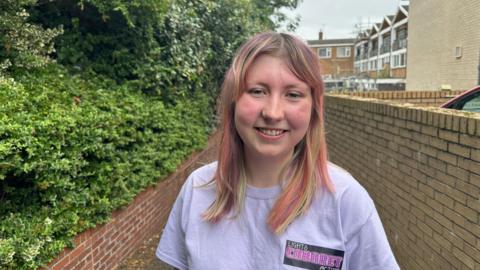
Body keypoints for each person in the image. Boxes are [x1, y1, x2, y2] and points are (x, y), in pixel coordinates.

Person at [156, 32, 400, 270]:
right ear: (233, 100)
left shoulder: (345, 200)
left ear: (313, 109)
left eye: (293, 95)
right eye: (257, 91)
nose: (273, 113)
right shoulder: (198, 189)